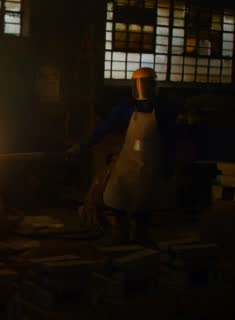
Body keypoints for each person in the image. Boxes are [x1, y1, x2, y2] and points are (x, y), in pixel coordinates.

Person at [68, 67, 177, 244]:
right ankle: (122, 240)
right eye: (140, 85)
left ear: (153, 86)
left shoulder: (164, 112)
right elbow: (102, 130)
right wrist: (81, 146)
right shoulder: (125, 109)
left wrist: (168, 168)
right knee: (118, 204)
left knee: (143, 212)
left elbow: (171, 142)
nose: (143, 90)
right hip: (127, 167)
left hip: (149, 170)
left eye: (146, 85)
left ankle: (140, 247)